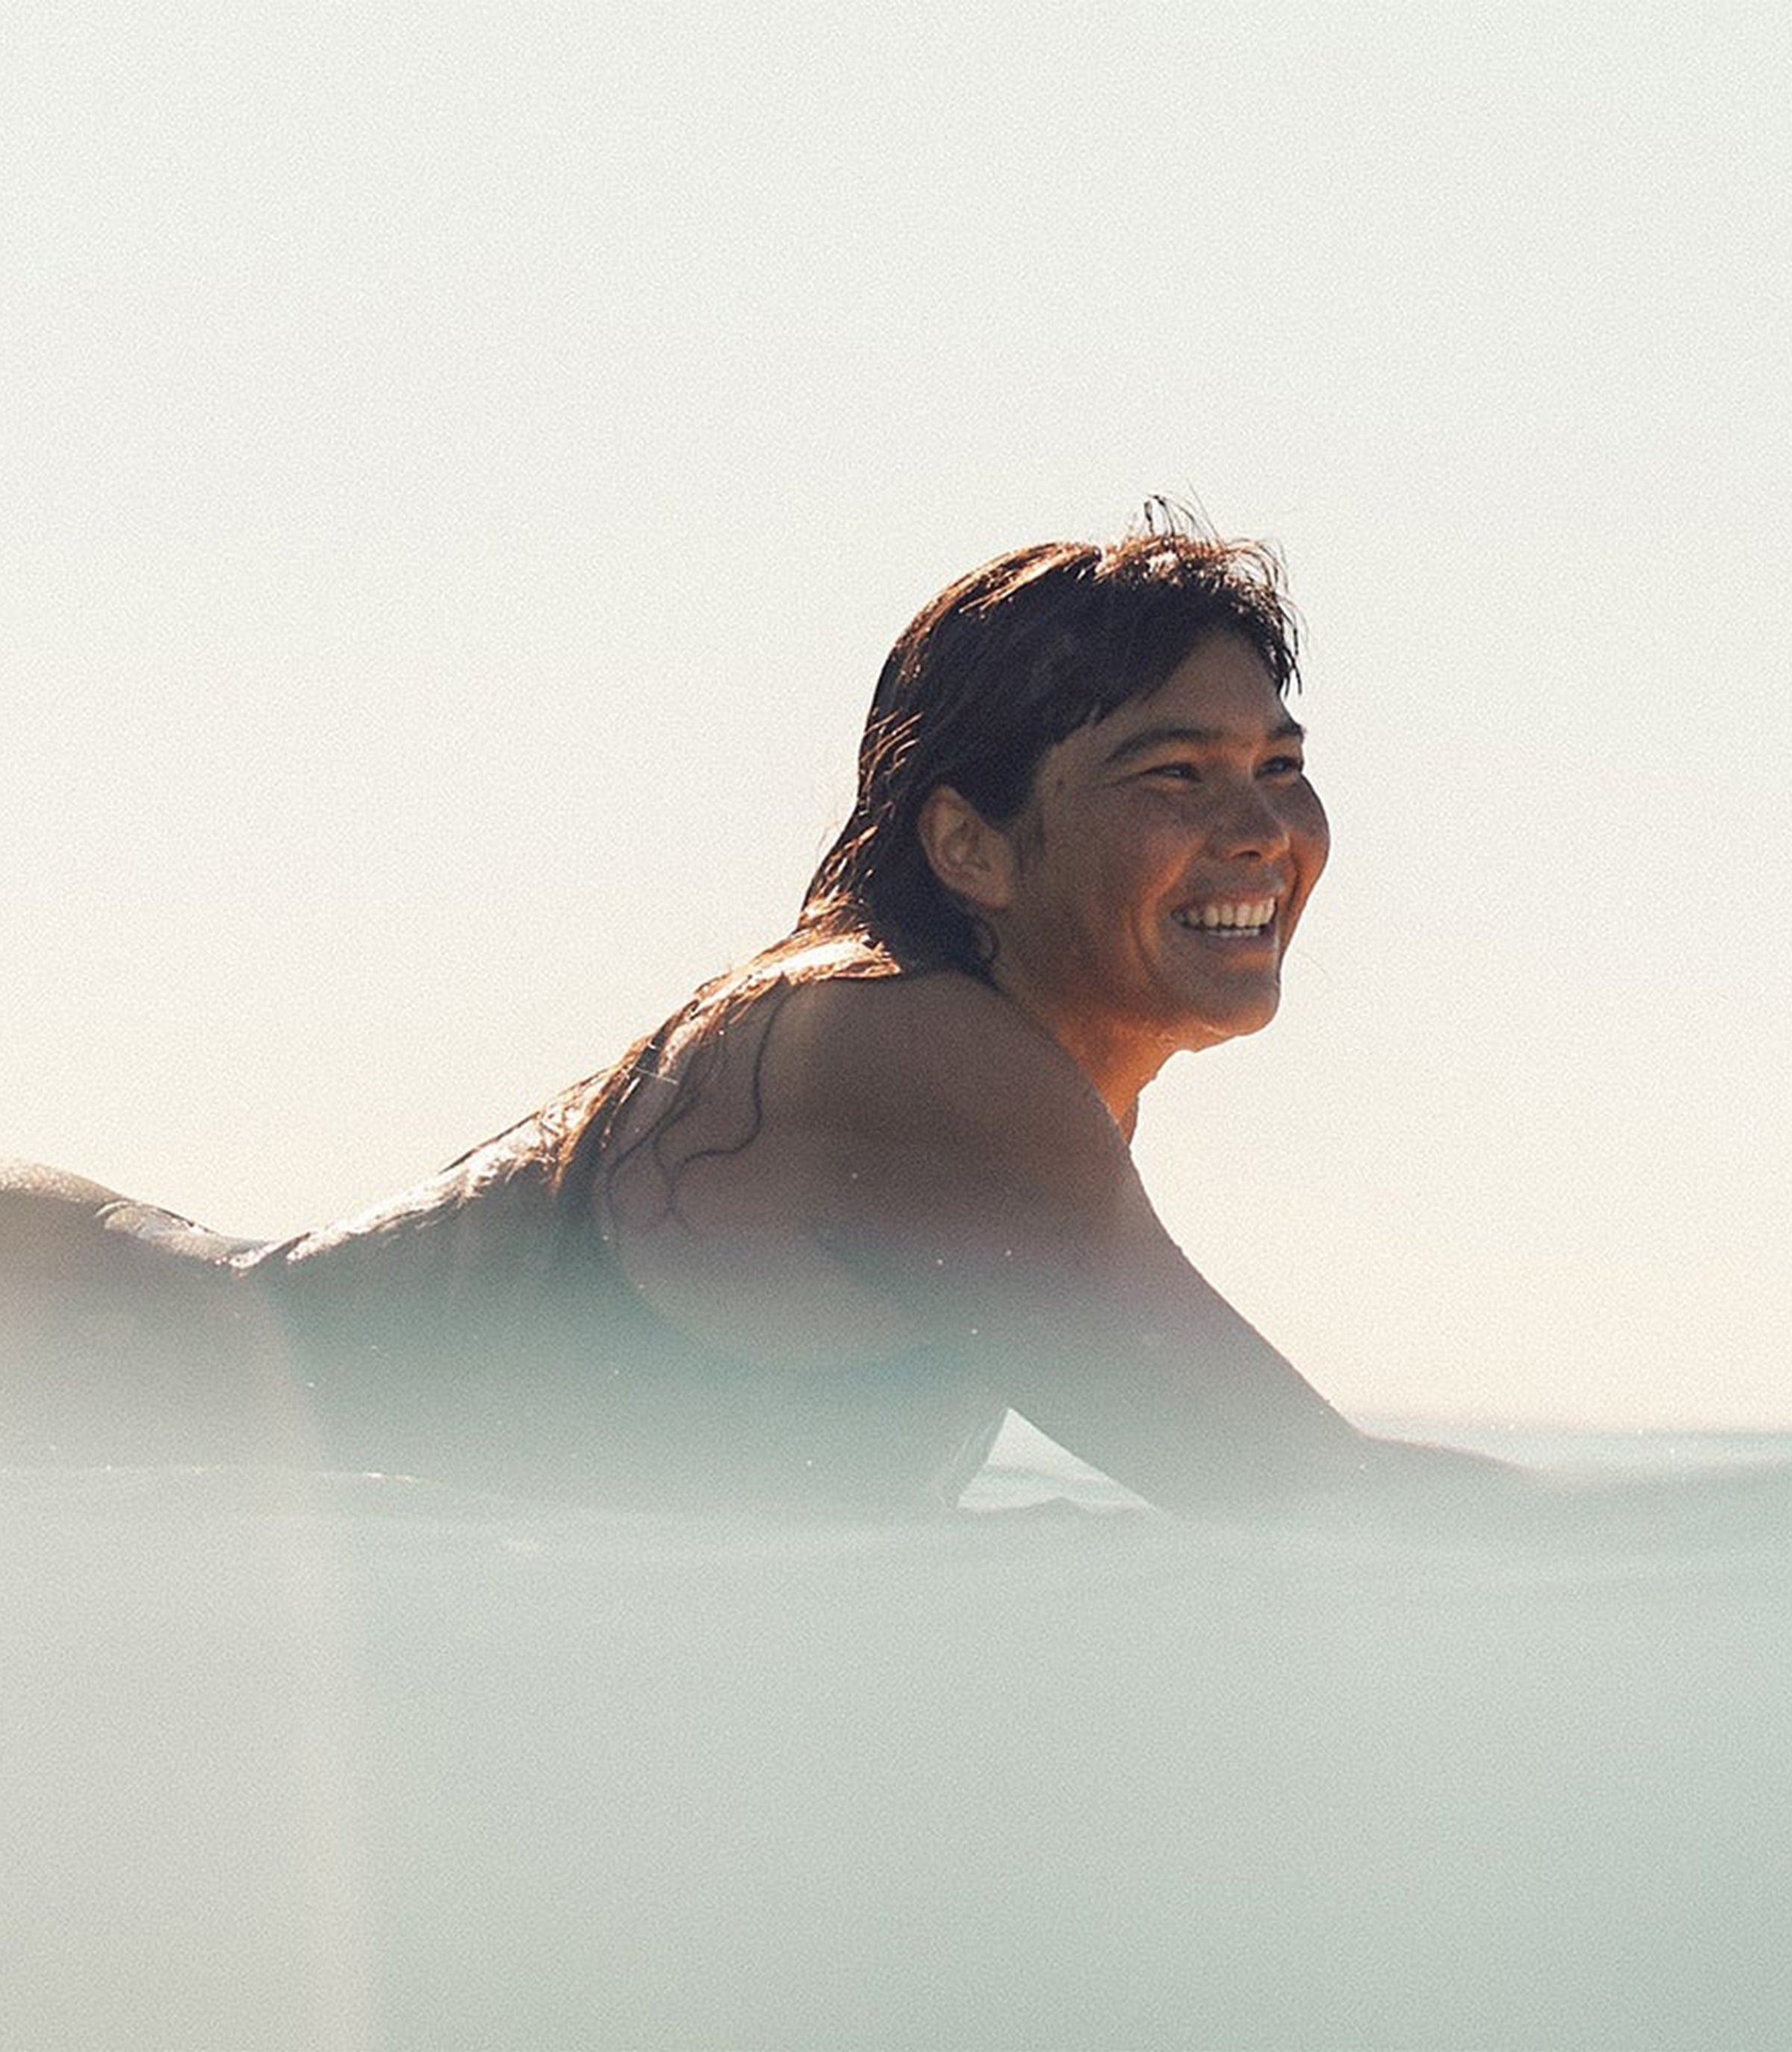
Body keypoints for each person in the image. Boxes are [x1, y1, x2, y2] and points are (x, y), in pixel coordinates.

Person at [1, 514, 1472, 1514]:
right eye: (1176, 775)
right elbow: (1298, 1499)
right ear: (973, 845)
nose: (1263, 827)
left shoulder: (975, 1066)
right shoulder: (917, 1057)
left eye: (1279, 765)